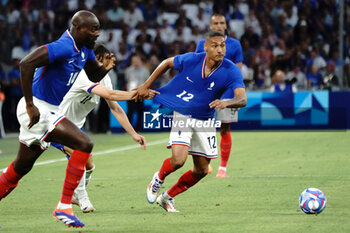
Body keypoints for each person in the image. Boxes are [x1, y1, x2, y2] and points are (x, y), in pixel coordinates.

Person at [0, 10, 116, 228]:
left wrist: (105, 69)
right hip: (38, 108)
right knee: (84, 143)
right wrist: (30, 104)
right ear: (78, 28)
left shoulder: (84, 50)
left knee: (20, 168)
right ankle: (64, 206)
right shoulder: (62, 47)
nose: (97, 34)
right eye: (93, 29)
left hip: (50, 110)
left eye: (98, 29)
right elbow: (26, 63)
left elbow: (92, 75)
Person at [136, 31, 247, 212]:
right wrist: (146, 85)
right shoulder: (192, 59)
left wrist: (227, 102)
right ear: (205, 47)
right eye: (215, 45)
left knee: (202, 170)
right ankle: (158, 178)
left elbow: (242, 99)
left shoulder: (231, 69)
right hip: (184, 113)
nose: (220, 50)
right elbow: (166, 63)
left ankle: (167, 197)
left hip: (205, 119)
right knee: (178, 160)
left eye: (223, 45)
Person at [51, 43, 156, 213]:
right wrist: (137, 94)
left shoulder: (105, 78)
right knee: (80, 155)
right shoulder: (82, 76)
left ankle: (76, 194)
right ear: (95, 61)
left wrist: (133, 134)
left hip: (75, 127)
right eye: (106, 60)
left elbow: (115, 107)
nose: (111, 63)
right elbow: (111, 95)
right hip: (56, 123)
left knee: (90, 165)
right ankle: (82, 197)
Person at [195, 13, 244, 178]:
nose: (218, 25)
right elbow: (197, 67)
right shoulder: (202, 44)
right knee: (202, 128)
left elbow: (238, 71)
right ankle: (205, 163)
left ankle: (223, 167)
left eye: (221, 22)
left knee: (224, 128)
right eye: (215, 23)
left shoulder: (235, 45)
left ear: (226, 25)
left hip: (227, 94)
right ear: (210, 26)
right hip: (206, 94)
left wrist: (234, 95)